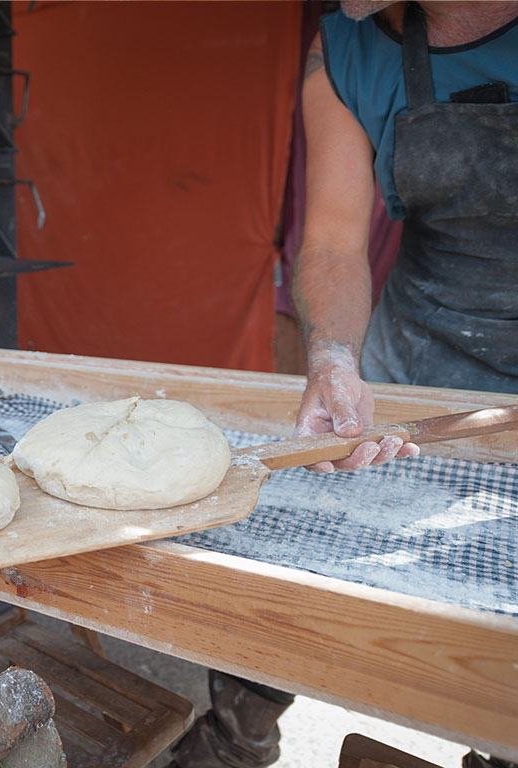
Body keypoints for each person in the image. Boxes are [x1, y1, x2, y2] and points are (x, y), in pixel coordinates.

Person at [168, 2, 518, 766]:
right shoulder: (347, 45)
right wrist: (333, 358)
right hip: (408, 369)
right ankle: (237, 731)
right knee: (282, 542)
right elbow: (330, 239)